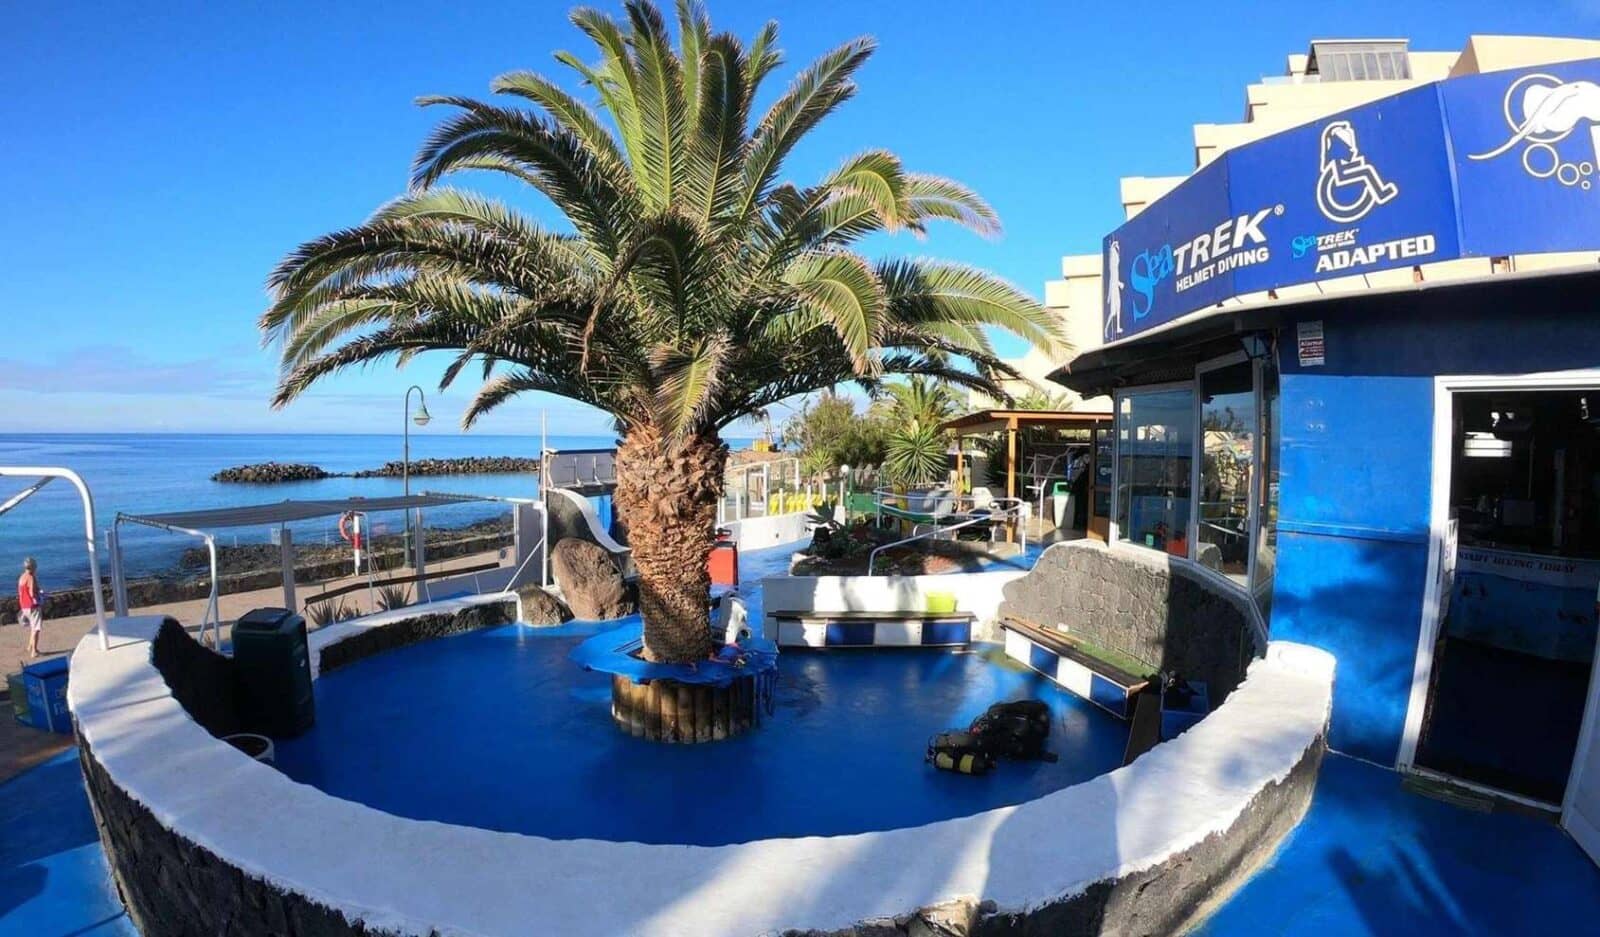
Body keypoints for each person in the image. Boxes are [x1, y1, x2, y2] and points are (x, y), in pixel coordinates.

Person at [18, 557, 42, 659]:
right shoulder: (31, 577)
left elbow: (21, 592)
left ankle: (29, 646)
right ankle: (34, 651)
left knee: (32, 626)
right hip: (33, 606)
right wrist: (40, 596)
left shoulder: (22, 577)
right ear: (33, 567)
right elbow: (32, 593)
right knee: (36, 628)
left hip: (24, 606)